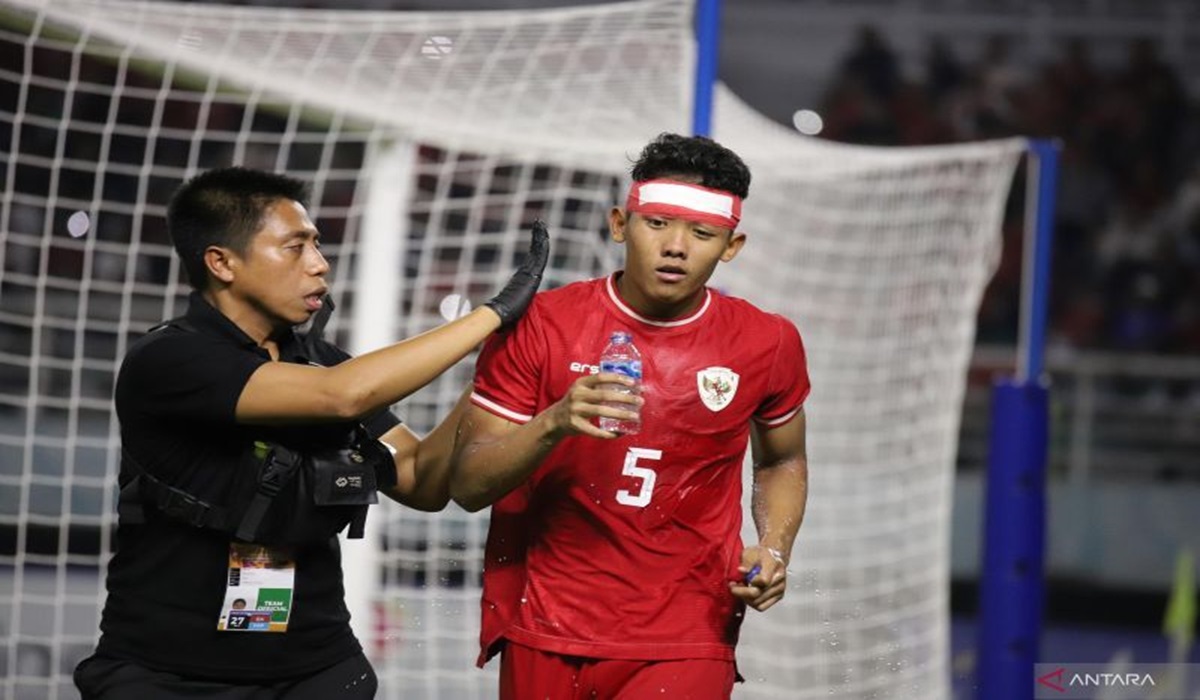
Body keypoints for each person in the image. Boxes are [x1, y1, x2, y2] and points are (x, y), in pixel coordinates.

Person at [73, 166, 547, 699]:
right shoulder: (169, 360)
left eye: (317, 245)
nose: (320, 265)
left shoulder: (320, 361)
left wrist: (503, 363)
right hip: (169, 678)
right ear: (221, 262)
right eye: (294, 247)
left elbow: (422, 479)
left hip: (317, 670)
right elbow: (340, 396)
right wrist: (489, 316)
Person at [450, 133, 810, 699]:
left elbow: (783, 459)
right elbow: (468, 485)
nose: (676, 247)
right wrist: (555, 422)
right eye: (658, 224)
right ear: (620, 224)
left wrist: (774, 548)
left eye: (702, 233)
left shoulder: (768, 342)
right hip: (544, 619)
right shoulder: (541, 324)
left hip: (686, 629)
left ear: (731, 246)